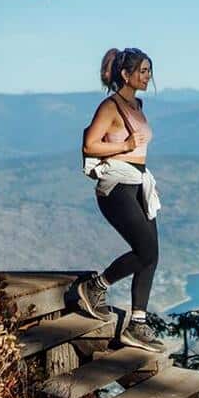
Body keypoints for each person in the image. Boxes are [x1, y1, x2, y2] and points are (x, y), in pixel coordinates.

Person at [77, 47, 166, 352]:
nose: (147, 75)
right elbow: (90, 145)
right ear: (125, 74)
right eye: (142, 70)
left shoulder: (137, 105)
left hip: (138, 183)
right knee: (145, 250)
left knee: (151, 254)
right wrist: (125, 144)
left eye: (149, 70)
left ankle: (137, 325)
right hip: (116, 187)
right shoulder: (110, 107)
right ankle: (95, 287)